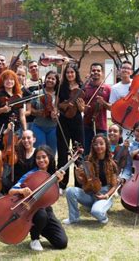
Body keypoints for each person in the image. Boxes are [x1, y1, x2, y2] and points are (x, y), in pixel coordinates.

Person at [9, 146, 68, 251]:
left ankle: (39, 227)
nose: (41, 160)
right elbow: (11, 191)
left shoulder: (53, 175)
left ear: (49, 157)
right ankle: (34, 238)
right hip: (33, 210)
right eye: (38, 158)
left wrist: (57, 182)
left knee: (61, 242)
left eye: (44, 157)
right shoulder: (31, 174)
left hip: (47, 209)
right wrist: (21, 191)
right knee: (41, 214)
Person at [63, 134, 119, 225]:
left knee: (96, 212)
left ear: (106, 145)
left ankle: (103, 216)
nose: (98, 146)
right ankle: (73, 218)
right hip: (90, 194)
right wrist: (78, 175)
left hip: (104, 195)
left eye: (101, 144)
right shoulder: (88, 160)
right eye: (96, 144)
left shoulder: (111, 163)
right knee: (70, 190)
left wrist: (106, 196)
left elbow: (114, 186)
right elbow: (83, 181)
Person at [57, 62, 85, 193]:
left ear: (76, 73)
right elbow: (58, 104)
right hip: (62, 120)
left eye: (72, 72)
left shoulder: (81, 87)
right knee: (63, 152)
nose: (69, 74)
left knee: (78, 152)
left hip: (77, 121)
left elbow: (82, 107)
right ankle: (62, 184)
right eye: (67, 72)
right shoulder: (61, 87)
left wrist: (81, 108)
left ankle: (79, 184)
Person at [83, 63, 111, 155]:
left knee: (101, 154)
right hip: (86, 125)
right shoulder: (85, 88)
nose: (96, 72)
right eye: (93, 70)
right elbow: (80, 107)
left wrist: (103, 103)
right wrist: (83, 108)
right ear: (90, 72)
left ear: (102, 73)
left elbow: (111, 108)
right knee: (86, 153)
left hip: (101, 125)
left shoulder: (107, 88)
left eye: (98, 70)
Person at [27, 70, 59, 152]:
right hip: (38, 126)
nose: (50, 80)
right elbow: (30, 109)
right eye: (48, 78)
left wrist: (56, 114)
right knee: (39, 152)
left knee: (51, 153)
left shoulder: (58, 94)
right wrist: (37, 112)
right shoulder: (37, 92)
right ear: (45, 79)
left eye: (53, 79)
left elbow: (60, 109)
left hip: (53, 128)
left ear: (56, 82)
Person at [0, 69, 27, 135]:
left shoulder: (18, 95)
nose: (9, 81)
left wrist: (25, 130)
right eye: (6, 79)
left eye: (11, 79)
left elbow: (22, 115)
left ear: (15, 81)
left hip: (16, 129)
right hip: (1, 128)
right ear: (2, 81)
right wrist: (2, 110)